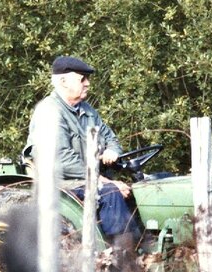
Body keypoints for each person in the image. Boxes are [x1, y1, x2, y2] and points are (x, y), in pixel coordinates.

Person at [22, 55, 140, 244]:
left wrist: (112, 150)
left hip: (86, 178)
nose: (88, 84)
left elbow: (110, 137)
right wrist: (101, 179)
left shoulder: (87, 110)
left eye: (88, 79)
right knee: (111, 193)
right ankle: (121, 258)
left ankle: (147, 245)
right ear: (63, 81)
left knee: (140, 188)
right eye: (82, 79)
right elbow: (60, 159)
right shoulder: (49, 112)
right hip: (63, 182)